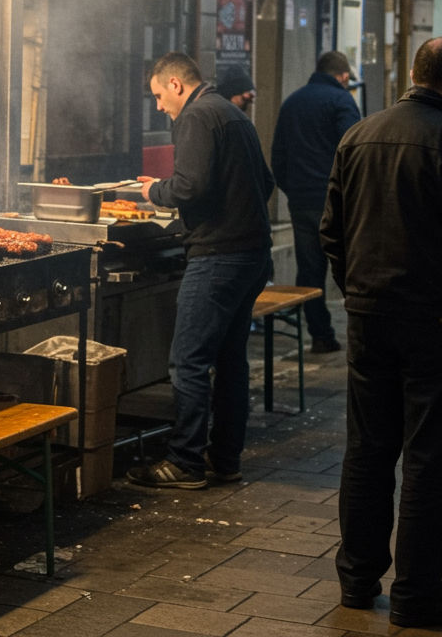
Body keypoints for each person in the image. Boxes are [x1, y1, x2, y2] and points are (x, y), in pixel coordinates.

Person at [321, 36, 442, 628]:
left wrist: (357, 292)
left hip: (370, 317)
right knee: (433, 456)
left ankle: (356, 579)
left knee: (368, 448)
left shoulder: (358, 136)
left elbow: (332, 231)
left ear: (412, 75)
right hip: (440, 323)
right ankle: (417, 591)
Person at [127, 52, 273, 490]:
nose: (158, 106)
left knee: (187, 361)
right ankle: (225, 458)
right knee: (230, 361)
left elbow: (190, 185)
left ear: (175, 84)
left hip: (218, 257)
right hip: (251, 254)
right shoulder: (232, 113)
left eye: (158, 96)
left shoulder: (196, 116)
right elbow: (264, 183)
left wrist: (155, 190)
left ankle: (184, 461)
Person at [270, 51, 360, 354]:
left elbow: (278, 157)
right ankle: (363, 335)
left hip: (300, 202)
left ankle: (320, 335)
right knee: (350, 267)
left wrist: (293, 189)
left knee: (309, 271)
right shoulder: (342, 101)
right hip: (336, 202)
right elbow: (354, 150)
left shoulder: (292, 102)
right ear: (344, 76)